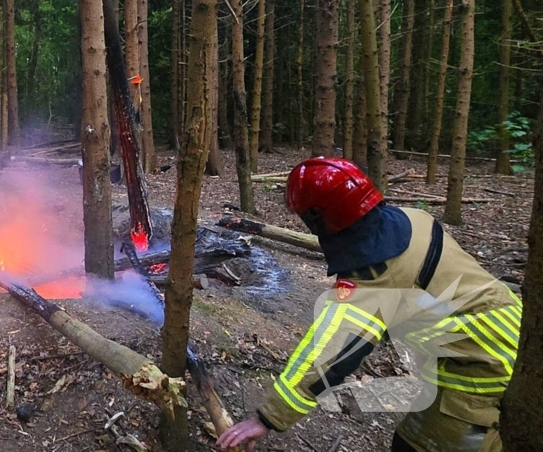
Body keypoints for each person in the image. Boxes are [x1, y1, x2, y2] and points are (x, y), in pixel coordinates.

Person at [217, 157, 520, 452]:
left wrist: (266, 418)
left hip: (486, 360)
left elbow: (329, 357)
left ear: (317, 219)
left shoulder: (373, 277)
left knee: (417, 445)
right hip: (504, 329)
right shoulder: (413, 218)